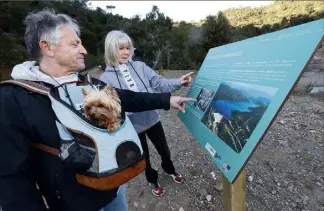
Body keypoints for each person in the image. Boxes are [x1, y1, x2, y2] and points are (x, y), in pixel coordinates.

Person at [0, 9, 194, 211]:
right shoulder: (14, 98)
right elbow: (12, 181)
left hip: (114, 191)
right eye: (75, 44)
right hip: (74, 205)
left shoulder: (88, 83)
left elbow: (128, 98)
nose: (84, 50)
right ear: (47, 47)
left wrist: (168, 99)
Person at [100, 30, 194, 197]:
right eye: (121, 48)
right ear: (111, 49)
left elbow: (159, 82)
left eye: (128, 47)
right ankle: (153, 180)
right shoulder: (105, 79)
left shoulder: (140, 66)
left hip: (152, 119)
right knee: (144, 158)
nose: (126, 52)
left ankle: (170, 170)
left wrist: (179, 81)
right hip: (131, 127)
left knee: (164, 150)